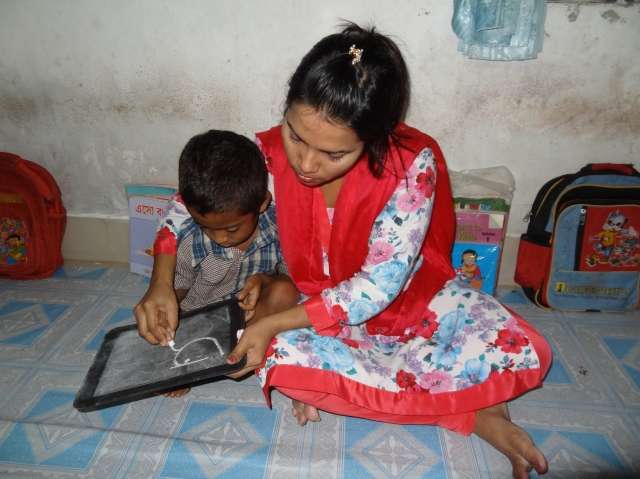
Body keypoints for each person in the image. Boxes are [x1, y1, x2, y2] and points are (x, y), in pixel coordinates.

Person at [134, 23, 551, 479]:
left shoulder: (411, 168)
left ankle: (476, 409)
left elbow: (375, 289)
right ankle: (466, 405)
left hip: (403, 301)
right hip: (314, 301)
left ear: (375, 139)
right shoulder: (268, 152)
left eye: (334, 155)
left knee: (497, 337)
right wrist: (161, 284)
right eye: (296, 136)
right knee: (277, 358)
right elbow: (187, 202)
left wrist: (272, 323)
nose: (305, 164)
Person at [135, 130, 298, 396]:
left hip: (250, 314)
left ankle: (248, 346)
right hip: (202, 316)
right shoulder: (189, 240)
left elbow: (290, 277)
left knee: (287, 294)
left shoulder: (279, 228)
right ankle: (189, 362)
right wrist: (167, 314)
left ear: (262, 204)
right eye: (205, 226)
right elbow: (177, 289)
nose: (219, 238)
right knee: (168, 328)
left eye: (232, 229)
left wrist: (266, 281)